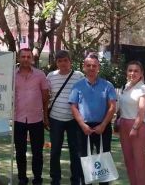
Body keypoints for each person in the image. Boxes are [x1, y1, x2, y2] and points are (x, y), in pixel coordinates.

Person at [68, 52, 117, 185]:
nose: (91, 68)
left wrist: (103, 125)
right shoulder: (77, 86)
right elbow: (73, 107)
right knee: (83, 159)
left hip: (103, 127)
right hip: (83, 128)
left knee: (104, 158)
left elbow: (112, 107)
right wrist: (83, 125)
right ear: (84, 67)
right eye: (88, 65)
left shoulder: (107, 85)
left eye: (94, 66)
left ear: (98, 67)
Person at [47, 50, 84, 185]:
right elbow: (47, 96)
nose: (63, 63)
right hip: (55, 118)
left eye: (65, 60)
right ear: (56, 63)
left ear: (70, 61)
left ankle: (76, 179)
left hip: (74, 120)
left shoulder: (79, 76)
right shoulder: (50, 76)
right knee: (55, 150)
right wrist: (45, 117)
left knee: (75, 151)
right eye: (60, 61)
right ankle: (55, 179)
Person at [14, 48, 50, 185]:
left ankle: (37, 178)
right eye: (23, 57)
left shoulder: (40, 75)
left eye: (28, 57)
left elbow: (45, 98)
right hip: (18, 119)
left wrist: (45, 117)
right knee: (20, 152)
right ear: (18, 58)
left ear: (32, 59)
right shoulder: (12, 75)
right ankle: (22, 178)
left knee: (37, 152)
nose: (25, 59)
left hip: (37, 119)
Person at [116, 60, 145, 185]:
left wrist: (135, 128)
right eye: (130, 70)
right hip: (124, 125)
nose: (132, 73)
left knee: (139, 161)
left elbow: (142, 112)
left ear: (141, 73)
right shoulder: (126, 86)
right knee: (128, 160)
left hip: (138, 126)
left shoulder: (143, 89)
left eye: (136, 71)